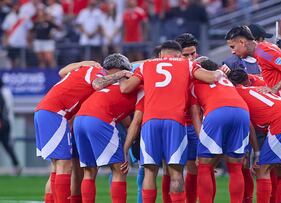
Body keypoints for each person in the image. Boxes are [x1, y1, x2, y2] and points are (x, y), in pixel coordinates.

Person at [119, 40, 228, 202]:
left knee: (150, 172)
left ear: (161, 54)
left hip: (150, 122)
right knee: (176, 172)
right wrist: (220, 72)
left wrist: (122, 75)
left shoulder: (146, 65)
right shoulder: (186, 65)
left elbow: (125, 88)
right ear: (179, 55)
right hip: (175, 122)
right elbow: (211, 77)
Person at [225, 25, 281, 203]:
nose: (233, 52)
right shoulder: (264, 51)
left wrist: (275, 89)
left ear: (243, 42)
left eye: (233, 47)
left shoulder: (263, 51)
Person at [35, 60, 131, 203]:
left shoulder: (84, 70)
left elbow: (62, 72)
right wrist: (120, 74)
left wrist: (81, 63)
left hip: (49, 112)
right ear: (115, 69)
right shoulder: (96, 72)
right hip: (56, 113)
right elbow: (97, 84)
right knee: (64, 166)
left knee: (56, 168)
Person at [73, 53, 135, 203]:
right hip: (99, 120)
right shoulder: (136, 86)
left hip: (80, 119)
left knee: (89, 170)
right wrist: (126, 149)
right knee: (119, 169)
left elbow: (125, 119)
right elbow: (136, 121)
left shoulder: (107, 86)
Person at [191, 59, 250, 203]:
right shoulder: (226, 80)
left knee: (204, 166)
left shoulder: (194, 84)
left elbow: (196, 115)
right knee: (236, 167)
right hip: (242, 112)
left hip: (217, 112)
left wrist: (201, 143)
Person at [174, 32, 199, 203]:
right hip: (174, 125)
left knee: (195, 169)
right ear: (177, 55)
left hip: (193, 125)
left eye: (193, 53)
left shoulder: (201, 69)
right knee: (172, 170)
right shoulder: (169, 71)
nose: (191, 58)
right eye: (186, 55)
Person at [0, 78, 21, 175]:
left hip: (3, 122)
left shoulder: (3, 93)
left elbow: (2, 108)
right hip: (6, 122)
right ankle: (16, 165)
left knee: (7, 145)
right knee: (7, 145)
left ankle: (17, 165)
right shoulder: (6, 92)